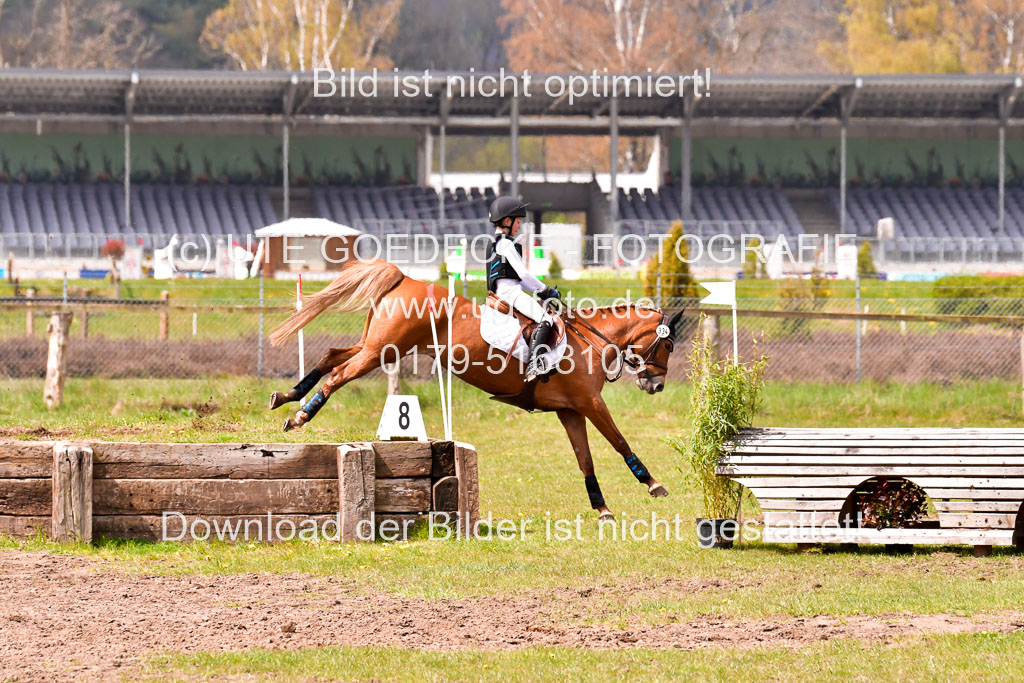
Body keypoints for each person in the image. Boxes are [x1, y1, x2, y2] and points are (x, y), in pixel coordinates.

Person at [484, 196, 562, 382]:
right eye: (518, 221)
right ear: (507, 221)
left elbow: (519, 279)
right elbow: (525, 275)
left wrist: (541, 291)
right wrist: (546, 290)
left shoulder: (497, 242)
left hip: (508, 290)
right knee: (546, 319)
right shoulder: (505, 244)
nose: (519, 226)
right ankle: (534, 365)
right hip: (509, 293)